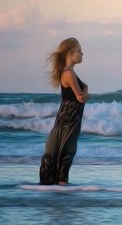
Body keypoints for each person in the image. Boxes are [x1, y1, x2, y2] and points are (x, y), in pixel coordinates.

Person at [39, 37, 90, 185]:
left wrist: (85, 92)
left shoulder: (71, 73)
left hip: (72, 118)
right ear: (70, 53)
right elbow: (80, 97)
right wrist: (87, 95)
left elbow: (84, 87)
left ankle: (60, 183)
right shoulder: (68, 74)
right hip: (68, 118)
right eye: (80, 51)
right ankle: (60, 184)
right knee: (66, 149)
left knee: (68, 149)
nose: (82, 54)